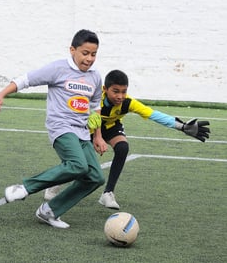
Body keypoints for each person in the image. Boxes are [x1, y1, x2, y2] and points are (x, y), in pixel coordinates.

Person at [0, 29, 107, 229]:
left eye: (93, 54)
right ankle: (25, 187)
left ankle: (50, 211)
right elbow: (26, 79)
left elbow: (96, 106)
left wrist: (98, 136)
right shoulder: (58, 69)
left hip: (82, 132)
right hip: (61, 128)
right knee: (78, 165)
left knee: (95, 177)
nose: (89, 59)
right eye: (85, 53)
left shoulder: (95, 77)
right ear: (73, 50)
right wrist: (1, 94)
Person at [45, 69, 210, 209]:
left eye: (123, 91)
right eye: (115, 91)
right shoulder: (95, 100)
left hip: (111, 127)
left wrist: (180, 126)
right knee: (82, 162)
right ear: (105, 89)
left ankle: (108, 193)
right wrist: (98, 137)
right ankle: (56, 183)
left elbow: (152, 114)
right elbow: (90, 119)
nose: (120, 96)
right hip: (89, 126)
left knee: (123, 147)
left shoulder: (127, 102)